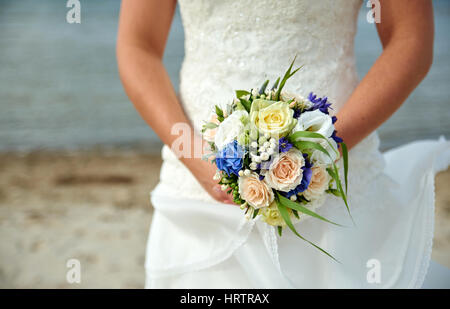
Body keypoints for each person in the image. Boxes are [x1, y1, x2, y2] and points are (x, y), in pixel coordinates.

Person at [117, 0, 449, 288]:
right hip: (197, 189)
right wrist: (194, 157)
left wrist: (321, 147)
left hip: (335, 178)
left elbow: (410, 38)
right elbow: (138, 45)